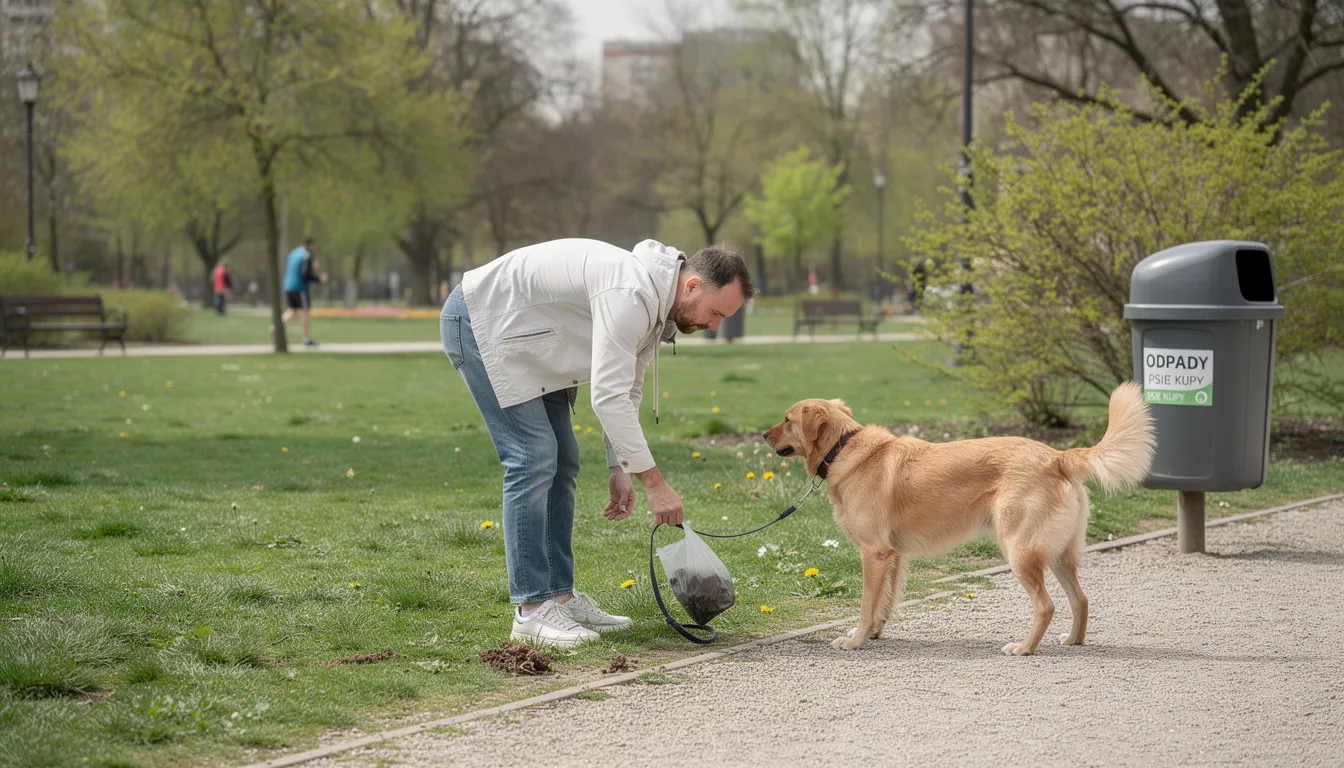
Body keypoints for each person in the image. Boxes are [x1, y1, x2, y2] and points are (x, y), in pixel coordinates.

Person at [441, 238, 753, 648]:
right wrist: (655, 484)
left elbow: (626, 391)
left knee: (564, 460)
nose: (714, 326)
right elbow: (606, 397)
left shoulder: (655, 304)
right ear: (692, 286)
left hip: (534, 344)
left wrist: (619, 466)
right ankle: (531, 611)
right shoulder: (631, 294)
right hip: (482, 323)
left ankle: (560, 598)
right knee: (532, 458)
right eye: (716, 313)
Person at [282, 237, 326, 346]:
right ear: (310, 245)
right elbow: (305, 274)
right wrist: (319, 279)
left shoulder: (293, 253)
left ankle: (276, 327)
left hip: (288, 285)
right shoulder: (306, 255)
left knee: (293, 310)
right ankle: (306, 339)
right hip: (299, 287)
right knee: (306, 311)